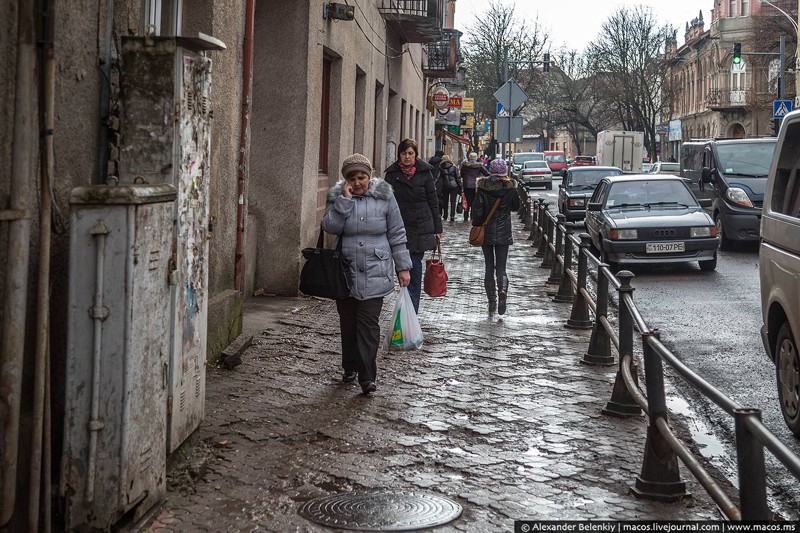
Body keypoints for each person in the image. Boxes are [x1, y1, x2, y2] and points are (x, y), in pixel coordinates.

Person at [321, 153, 412, 395]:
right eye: (353, 178)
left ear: (369, 176)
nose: (358, 182)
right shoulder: (338, 196)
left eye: (362, 177)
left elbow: (397, 232)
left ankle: (367, 377)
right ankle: (349, 366)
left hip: (376, 269)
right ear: (347, 180)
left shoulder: (385, 197)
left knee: (368, 326)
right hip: (345, 272)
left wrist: (403, 267)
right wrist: (344, 203)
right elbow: (329, 227)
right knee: (348, 324)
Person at [384, 139, 442, 314]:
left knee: (414, 273)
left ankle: (411, 316)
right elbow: (385, 202)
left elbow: (433, 201)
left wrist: (437, 228)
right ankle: (405, 312)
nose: (407, 157)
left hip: (420, 227)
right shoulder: (392, 174)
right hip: (399, 227)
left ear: (416, 155)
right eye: (404, 153)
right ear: (399, 155)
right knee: (402, 272)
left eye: (410, 153)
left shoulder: (425, 173)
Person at [471, 158, 520, 315]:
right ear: (504, 171)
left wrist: (478, 222)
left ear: (491, 171)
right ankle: (503, 291)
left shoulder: (483, 188)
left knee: (488, 267)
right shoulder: (510, 188)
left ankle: (492, 302)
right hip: (504, 232)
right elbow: (516, 207)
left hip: (486, 233)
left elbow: (477, 212)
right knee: (501, 267)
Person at [460, 152, 489, 221]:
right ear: (476, 158)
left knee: (467, 201)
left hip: (466, 185)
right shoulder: (479, 166)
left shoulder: (464, 165)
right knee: (474, 201)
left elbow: (461, 174)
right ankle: (472, 217)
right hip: (475, 186)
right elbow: (487, 173)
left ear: (469, 157)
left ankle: (465, 217)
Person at [439, 155, 462, 222]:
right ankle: (452, 215)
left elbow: (438, 177)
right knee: (453, 201)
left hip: (445, 186)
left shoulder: (441, 167)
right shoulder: (453, 167)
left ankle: (445, 215)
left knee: (445, 201)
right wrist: (460, 186)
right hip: (454, 186)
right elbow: (457, 177)